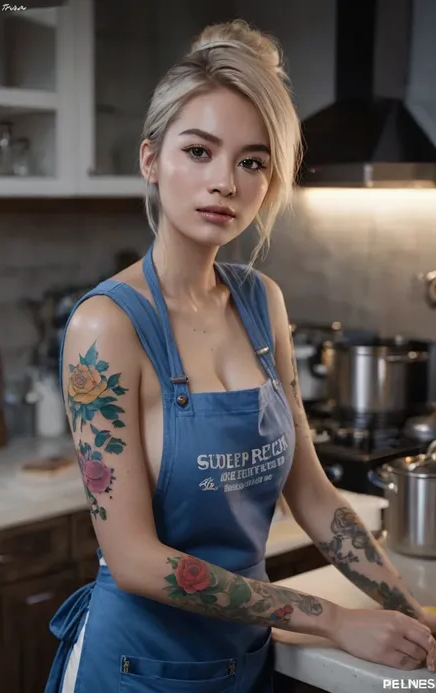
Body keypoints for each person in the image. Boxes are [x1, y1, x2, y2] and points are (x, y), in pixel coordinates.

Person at [45, 19, 436, 693]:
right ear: (150, 159)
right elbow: (135, 558)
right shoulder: (106, 326)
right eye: (199, 151)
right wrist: (333, 620)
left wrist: (407, 609)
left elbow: (311, 489)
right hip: (140, 670)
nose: (225, 181)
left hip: (245, 663)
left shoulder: (262, 302)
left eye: (252, 161)